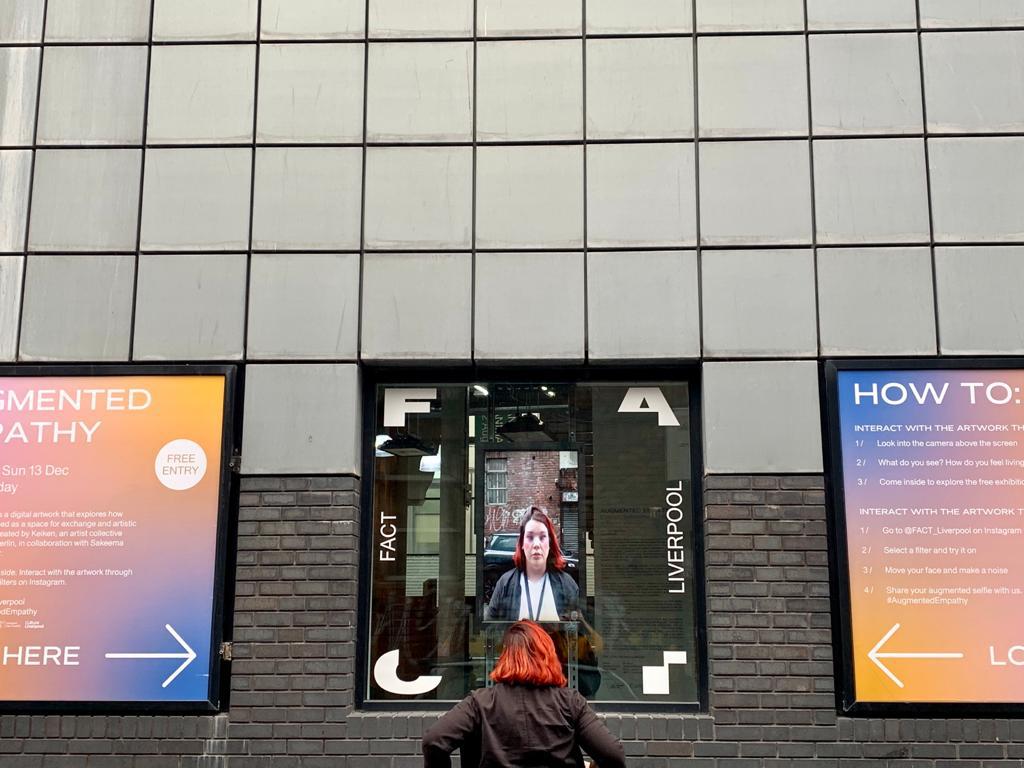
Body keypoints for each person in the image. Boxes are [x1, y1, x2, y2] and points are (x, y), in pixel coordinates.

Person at [422, 620, 625, 768]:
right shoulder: (570, 702)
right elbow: (613, 755)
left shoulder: (479, 702)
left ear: (504, 657)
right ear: (548, 656)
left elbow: (434, 741)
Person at [486, 508, 579, 622]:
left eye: (542, 537)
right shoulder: (505, 584)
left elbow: (577, 632)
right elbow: (490, 631)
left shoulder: (567, 584)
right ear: (522, 544)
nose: (536, 544)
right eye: (530, 537)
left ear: (550, 543)